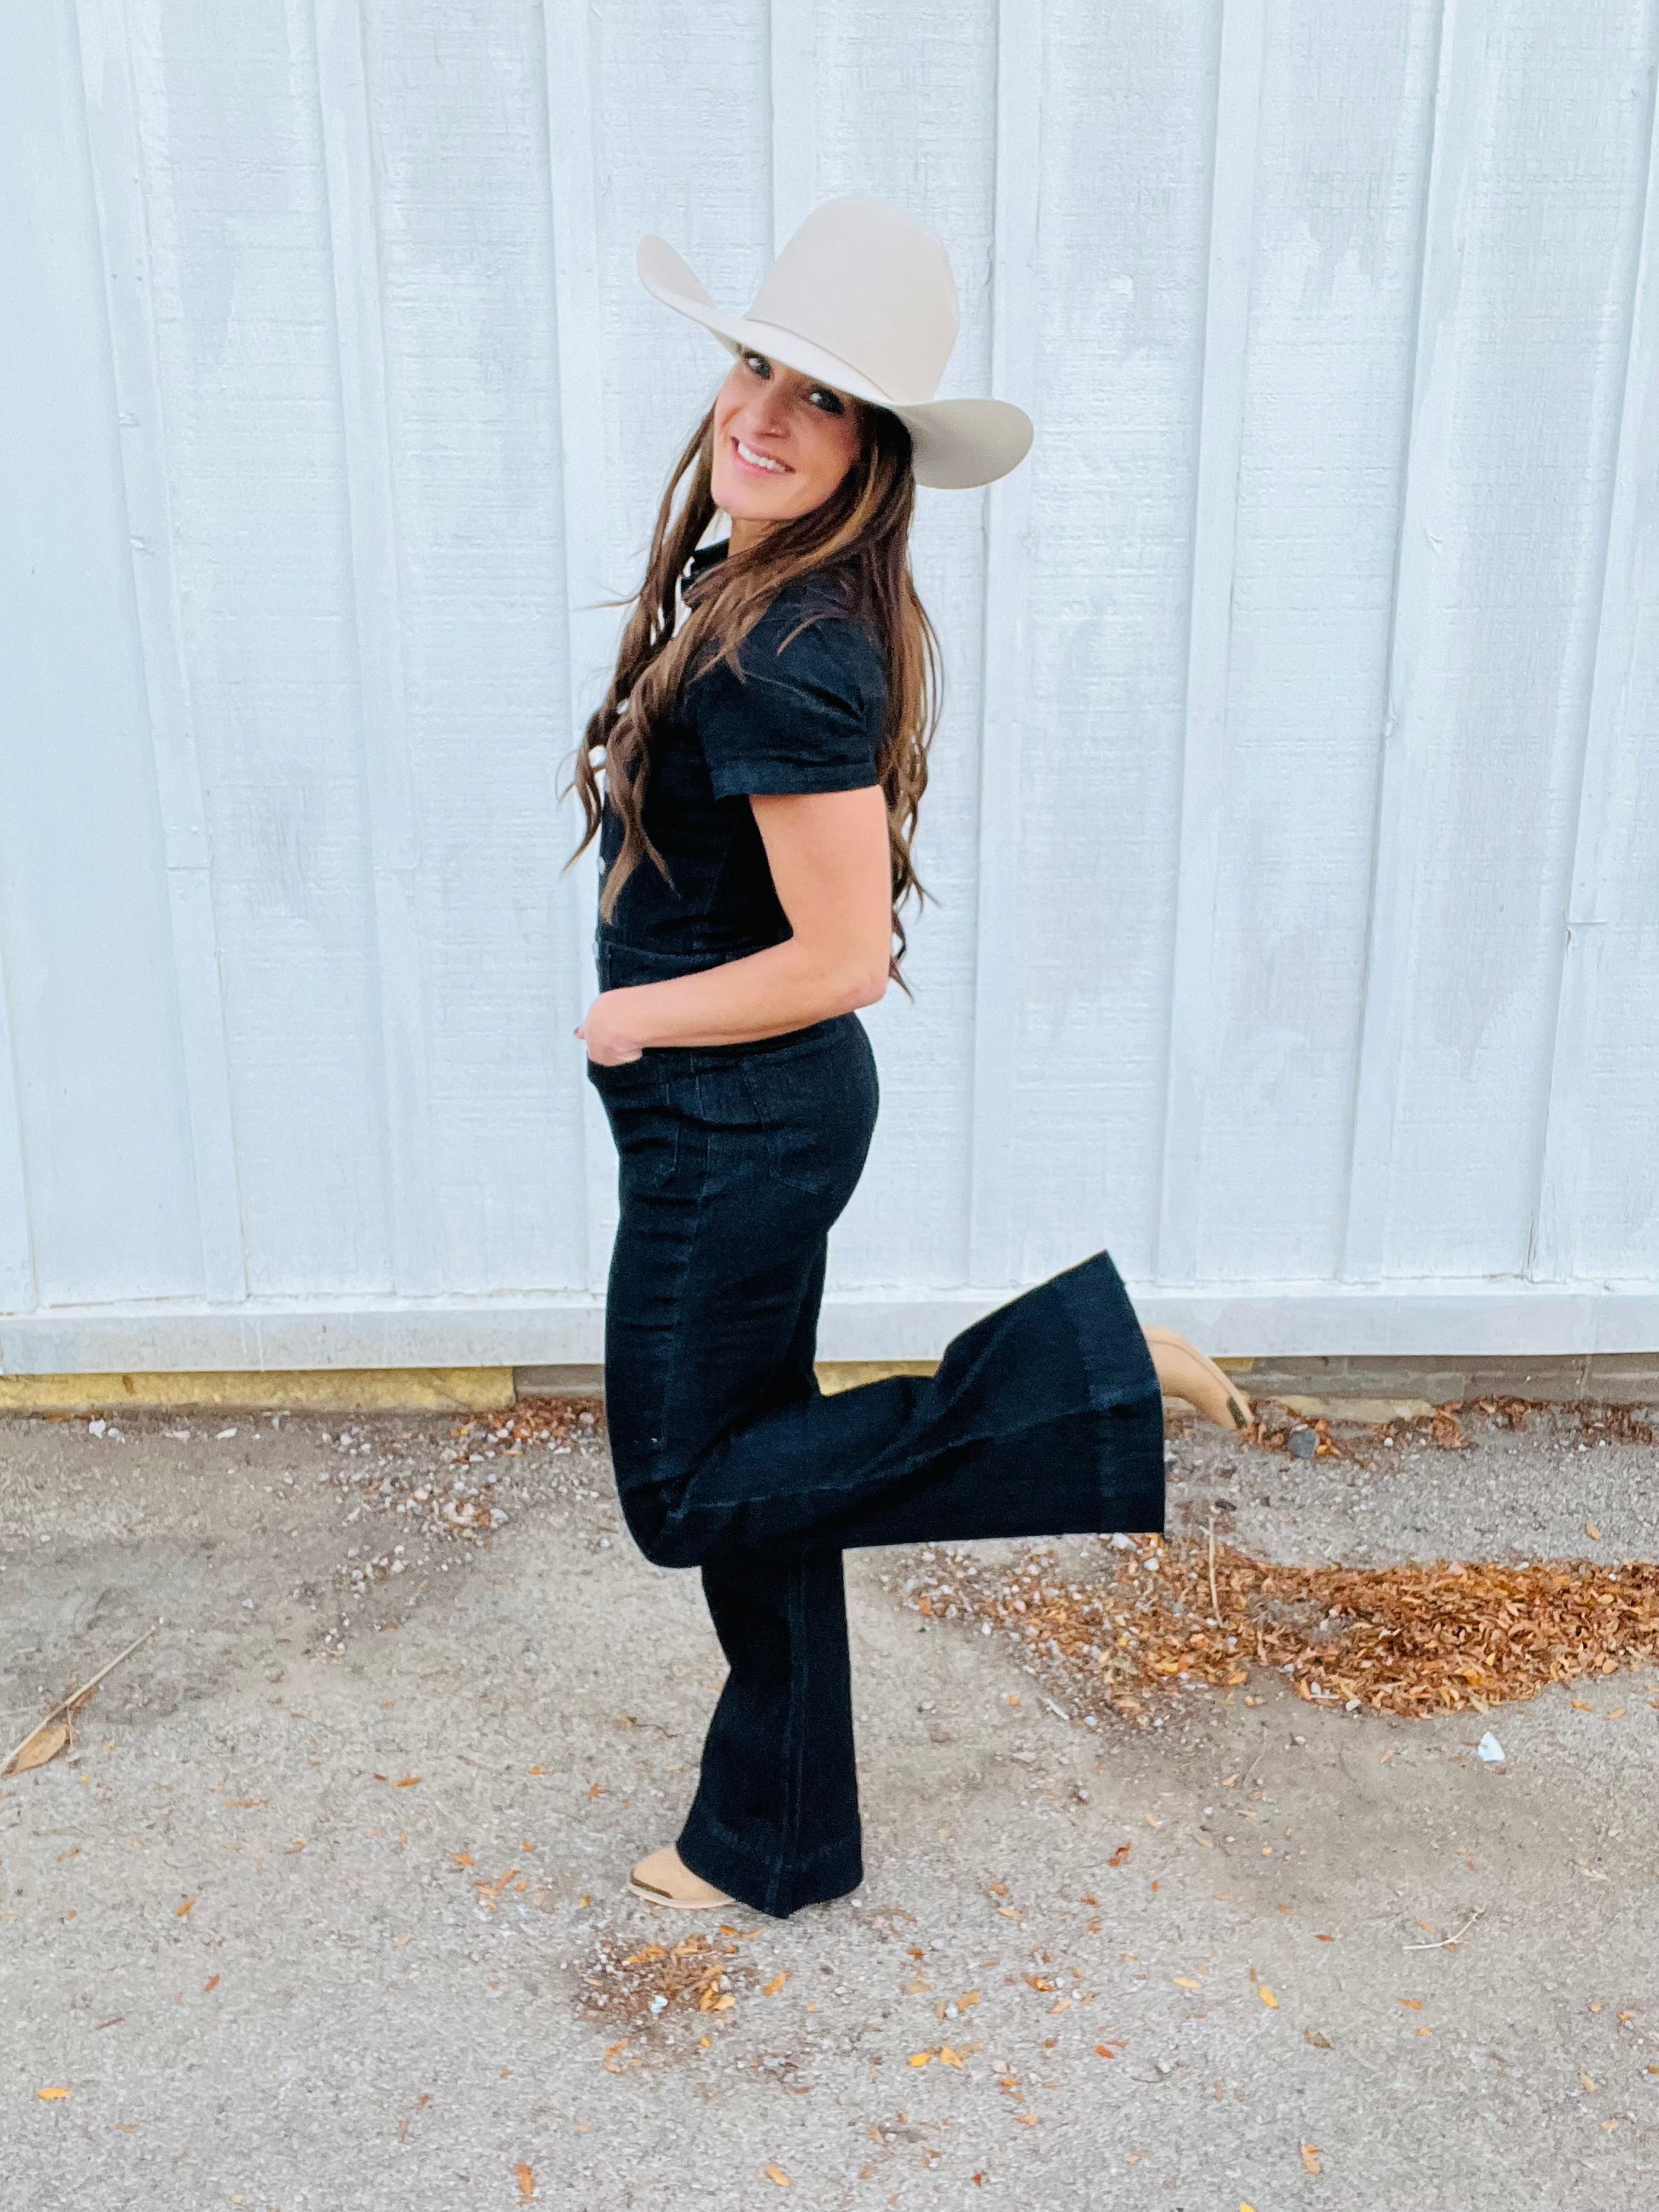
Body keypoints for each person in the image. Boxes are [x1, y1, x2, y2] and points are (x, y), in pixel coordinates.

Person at [562, 198, 1250, 1920]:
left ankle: (1093, 1370)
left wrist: (632, 1017)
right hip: (748, 1117)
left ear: (875, 452)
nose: (765, 413)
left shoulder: (786, 649)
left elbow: (844, 956)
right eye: (757, 364)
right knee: (766, 1457)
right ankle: (774, 1833)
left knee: (682, 1488)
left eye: (825, 397)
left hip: (735, 1122)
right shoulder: (764, 596)